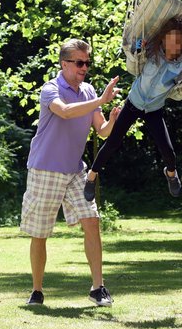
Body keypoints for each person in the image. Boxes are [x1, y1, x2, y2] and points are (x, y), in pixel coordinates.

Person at [20, 38, 122, 307]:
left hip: (76, 171)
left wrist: (112, 120)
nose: (84, 67)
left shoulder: (88, 91)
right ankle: (37, 291)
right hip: (45, 170)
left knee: (92, 221)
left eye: (87, 62)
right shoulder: (50, 89)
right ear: (64, 64)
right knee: (40, 232)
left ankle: (97, 288)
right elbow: (64, 112)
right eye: (79, 62)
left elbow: (101, 131)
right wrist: (101, 99)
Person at [83, 16, 182, 202]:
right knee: (112, 142)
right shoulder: (152, 51)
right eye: (171, 39)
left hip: (154, 109)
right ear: (163, 39)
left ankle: (171, 174)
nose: (174, 44)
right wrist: (138, 46)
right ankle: (91, 176)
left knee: (167, 150)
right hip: (133, 103)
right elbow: (134, 59)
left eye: (179, 42)